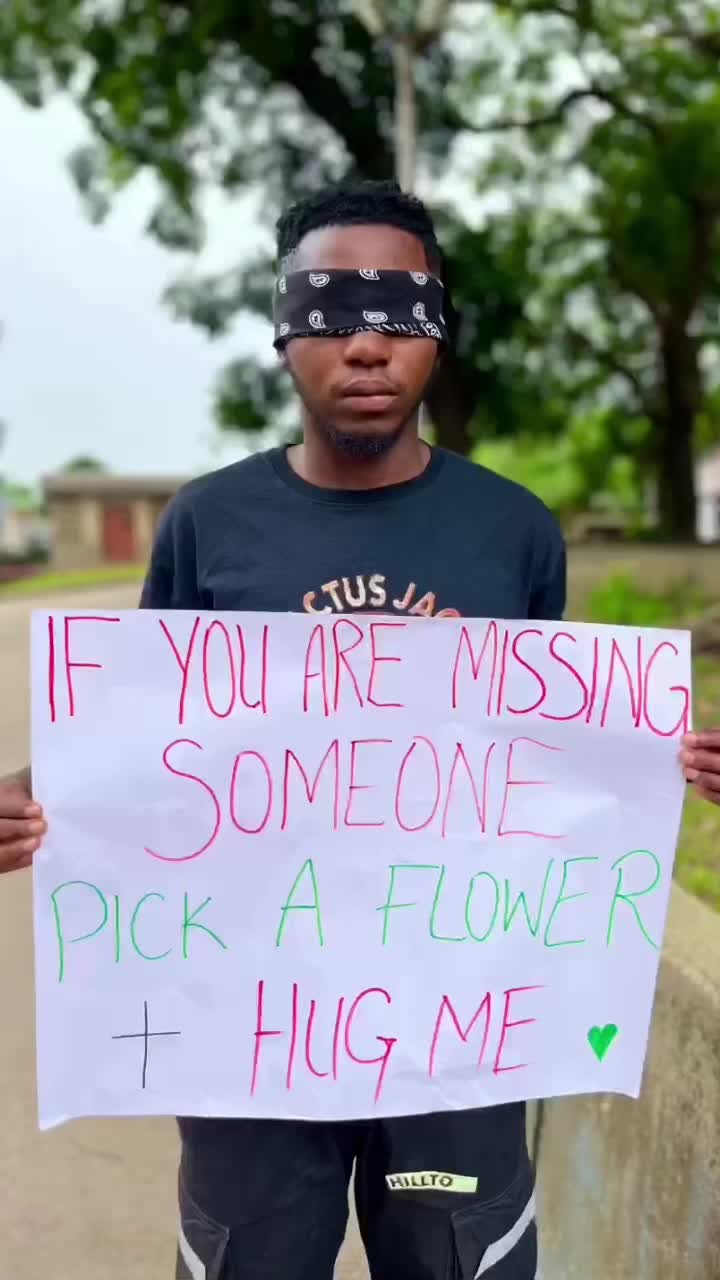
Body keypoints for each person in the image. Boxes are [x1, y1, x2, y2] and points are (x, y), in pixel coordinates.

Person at [1, 180, 720, 1280]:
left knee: (455, 1258)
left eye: (400, 311)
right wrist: (39, 789)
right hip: (249, 1033)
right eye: (333, 311)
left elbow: (552, 751)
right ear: (285, 332)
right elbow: (143, 740)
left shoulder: (513, 531)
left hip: (458, 1035)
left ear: (439, 330)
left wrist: (663, 758)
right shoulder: (208, 524)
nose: (368, 344)